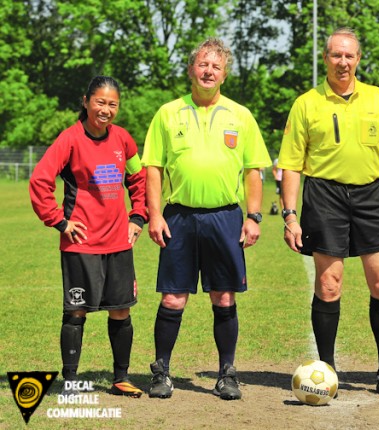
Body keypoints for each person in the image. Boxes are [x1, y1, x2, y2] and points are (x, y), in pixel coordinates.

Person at [278, 27, 379, 397]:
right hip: (324, 194)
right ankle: (326, 370)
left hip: (371, 196)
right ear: (326, 58)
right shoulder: (307, 103)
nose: (343, 62)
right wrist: (290, 215)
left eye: (349, 56)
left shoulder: (378, 99)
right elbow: (291, 164)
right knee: (329, 285)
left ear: (358, 59)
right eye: (336, 55)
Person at [141, 37, 271, 401]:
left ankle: (227, 373)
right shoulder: (168, 113)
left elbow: (252, 171)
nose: (208, 71)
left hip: (225, 217)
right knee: (172, 299)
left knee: (224, 297)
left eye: (215, 66)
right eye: (202, 64)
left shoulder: (240, 116)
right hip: (178, 217)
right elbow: (153, 168)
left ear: (224, 74)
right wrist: (154, 214)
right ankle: (161, 371)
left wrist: (254, 216)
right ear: (190, 70)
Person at [29, 76, 147, 398]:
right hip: (81, 244)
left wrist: (138, 216)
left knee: (121, 310)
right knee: (76, 311)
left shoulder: (124, 140)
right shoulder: (69, 139)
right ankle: (71, 381)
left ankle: (120, 378)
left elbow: (139, 178)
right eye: (100, 102)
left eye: (112, 104)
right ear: (86, 101)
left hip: (119, 243)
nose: (106, 110)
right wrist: (59, 221)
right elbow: (40, 180)